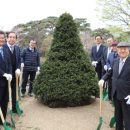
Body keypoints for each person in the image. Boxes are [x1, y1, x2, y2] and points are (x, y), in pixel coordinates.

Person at [99, 42, 130, 130]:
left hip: (127, 97)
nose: (122, 51)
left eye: (124, 49)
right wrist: (103, 79)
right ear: (117, 50)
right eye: (120, 49)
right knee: (118, 118)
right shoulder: (115, 61)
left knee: (128, 120)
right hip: (116, 94)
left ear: (129, 50)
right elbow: (110, 72)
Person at [3, 31, 21, 113]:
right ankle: (4, 111)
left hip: (15, 74)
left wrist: (18, 68)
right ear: (7, 38)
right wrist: (5, 74)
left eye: (14, 37)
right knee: (5, 94)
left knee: (15, 92)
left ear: (16, 39)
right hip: (5, 75)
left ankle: (14, 108)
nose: (12, 39)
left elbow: (18, 60)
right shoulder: (2, 47)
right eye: (10, 37)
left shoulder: (17, 48)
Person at [0, 31, 12, 127]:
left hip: (6, 81)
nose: (1, 40)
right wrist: (3, 73)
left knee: (4, 101)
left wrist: (10, 73)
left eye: (3, 38)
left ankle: (2, 120)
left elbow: (9, 63)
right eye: (0, 38)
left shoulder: (5, 49)